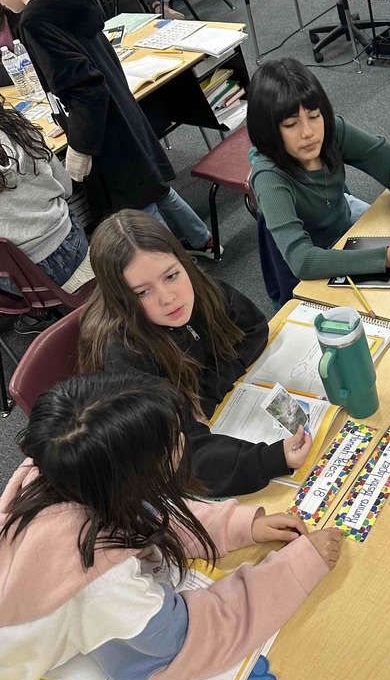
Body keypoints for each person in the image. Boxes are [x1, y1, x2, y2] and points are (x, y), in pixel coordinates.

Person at [0, 370, 342, 680]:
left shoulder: (67, 470)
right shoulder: (101, 581)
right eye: (170, 443)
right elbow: (183, 643)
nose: (183, 441)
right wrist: (294, 568)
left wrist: (238, 525)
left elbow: (149, 510)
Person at [0, 0, 216, 255]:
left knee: (138, 211)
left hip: (103, 132)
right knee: (154, 189)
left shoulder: (35, 22)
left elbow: (85, 90)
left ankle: (173, 264)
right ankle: (203, 240)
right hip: (123, 112)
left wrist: (80, 147)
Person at [79, 210, 314, 497]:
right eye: (141, 292)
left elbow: (252, 328)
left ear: (183, 261)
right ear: (121, 299)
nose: (168, 297)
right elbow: (180, 455)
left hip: (214, 414)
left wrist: (208, 391)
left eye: (171, 275)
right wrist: (273, 459)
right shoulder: (125, 356)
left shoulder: (198, 288)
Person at [248, 58, 390, 306]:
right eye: (291, 124)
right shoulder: (269, 178)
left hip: (345, 229)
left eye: (314, 116)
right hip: (312, 262)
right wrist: (385, 258)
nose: (308, 132)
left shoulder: (331, 131)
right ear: (269, 130)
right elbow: (302, 260)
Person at [0, 97, 88, 334]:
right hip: (72, 248)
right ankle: (41, 309)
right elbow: (66, 188)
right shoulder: (19, 129)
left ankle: (37, 311)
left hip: (16, 280)